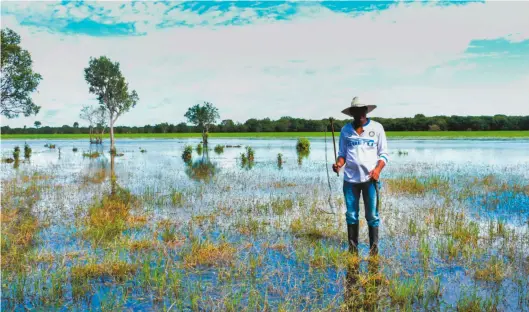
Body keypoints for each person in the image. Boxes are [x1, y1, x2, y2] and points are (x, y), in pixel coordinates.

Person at [332, 97, 389, 256]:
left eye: (362, 110)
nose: (360, 114)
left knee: (372, 215)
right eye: (356, 111)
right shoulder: (345, 130)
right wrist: (338, 164)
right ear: (352, 113)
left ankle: (374, 250)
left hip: (370, 180)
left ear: (366, 110)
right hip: (350, 180)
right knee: (351, 215)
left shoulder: (377, 128)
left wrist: (377, 170)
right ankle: (353, 250)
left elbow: (384, 154)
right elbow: (342, 154)